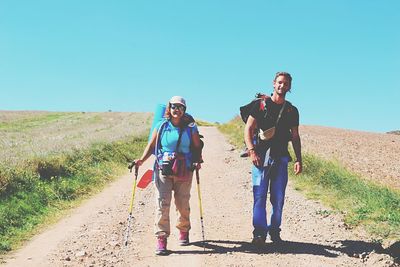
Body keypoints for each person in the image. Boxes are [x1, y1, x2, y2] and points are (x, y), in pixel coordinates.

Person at [134, 96, 202, 255]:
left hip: (184, 169)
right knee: (162, 204)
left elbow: (197, 146)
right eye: (174, 106)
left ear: (184, 110)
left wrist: (198, 160)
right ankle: (161, 238)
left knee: (182, 204)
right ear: (169, 109)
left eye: (180, 107)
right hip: (163, 169)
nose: (176, 109)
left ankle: (183, 230)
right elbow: (151, 145)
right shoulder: (162, 125)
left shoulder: (190, 127)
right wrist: (141, 160)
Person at [244, 72, 302, 246]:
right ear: (273, 84)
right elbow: (248, 129)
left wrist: (299, 159)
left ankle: (275, 231)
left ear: (290, 87)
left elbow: (295, 136)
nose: (282, 86)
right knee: (259, 196)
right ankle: (259, 233)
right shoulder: (261, 105)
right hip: (261, 158)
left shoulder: (292, 110)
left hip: (281, 158)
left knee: (278, 198)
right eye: (279, 83)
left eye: (285, 84)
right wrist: (252, 151)